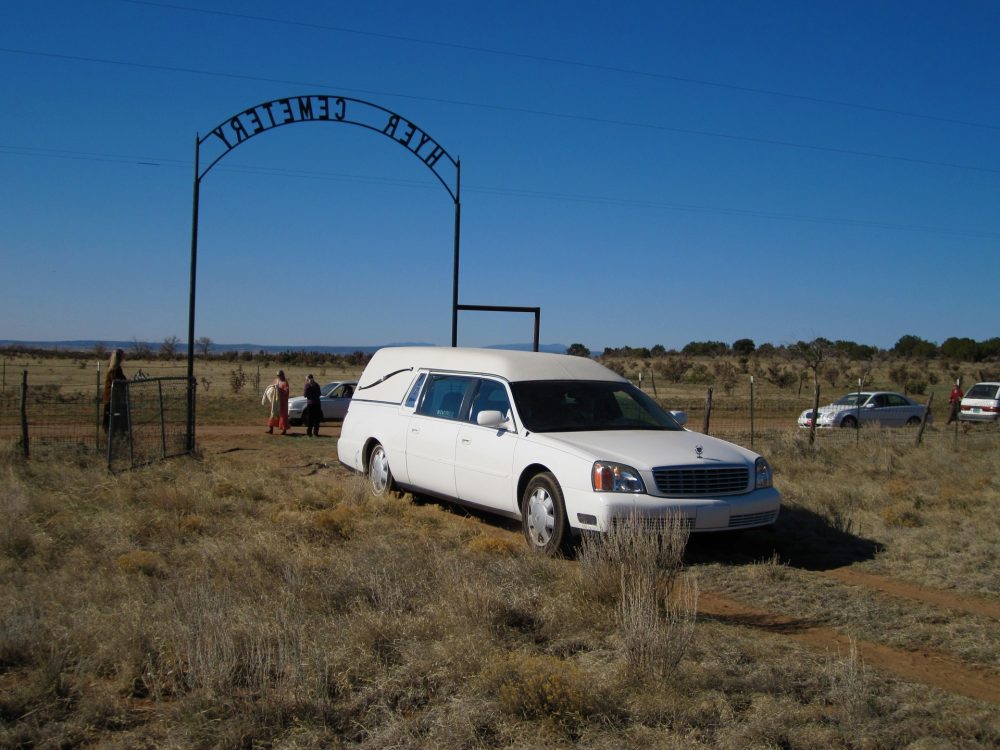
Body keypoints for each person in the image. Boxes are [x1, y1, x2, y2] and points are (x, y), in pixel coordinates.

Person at [102, 348, 128, 434]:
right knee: (111, 419)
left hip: (115, 398)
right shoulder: (113, 370)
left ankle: (115, 435)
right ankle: (111, 437)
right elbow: (117, 382)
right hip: (111, 398)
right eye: (121, 356)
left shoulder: (117, 369)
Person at [267, 370, 290, 435]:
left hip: (283, 402)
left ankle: (284, 430)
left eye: (280, 375)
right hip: (276, 401)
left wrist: (279, 390)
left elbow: (286, 392)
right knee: (273, 413)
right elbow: (272, 387)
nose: (279, 377)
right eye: (278, 375)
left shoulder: (285, 383)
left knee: (283, 415)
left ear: (283, 375)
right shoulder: (276, 381)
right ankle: (271, 429)